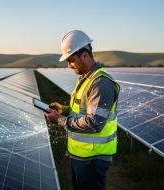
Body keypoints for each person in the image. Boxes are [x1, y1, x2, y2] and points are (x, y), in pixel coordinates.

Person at [44, 30, 120, 190]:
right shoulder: (87, 79)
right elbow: (83, 111)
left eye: (71, 60)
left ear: (84, 55)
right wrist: (63, 109)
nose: (69, 65)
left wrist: (59, 120)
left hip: (93, 159)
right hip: (81, 156)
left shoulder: (100, 83)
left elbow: (94, 123)